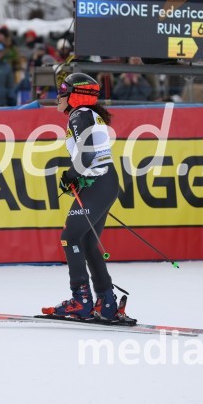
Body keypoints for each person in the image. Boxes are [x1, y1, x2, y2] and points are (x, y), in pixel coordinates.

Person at [41, 73, 130, 322]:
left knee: (70, 237)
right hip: (103, 182)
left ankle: (80, 301)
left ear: (76, 96)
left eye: (63, 92)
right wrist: (78, 177)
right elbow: (91, 156)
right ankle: (107, 303)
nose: (58, 97)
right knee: (88, 243)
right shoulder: (86, 114)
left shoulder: (79, 115)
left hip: (98, 183)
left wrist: (71, 175)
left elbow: (88, 155)